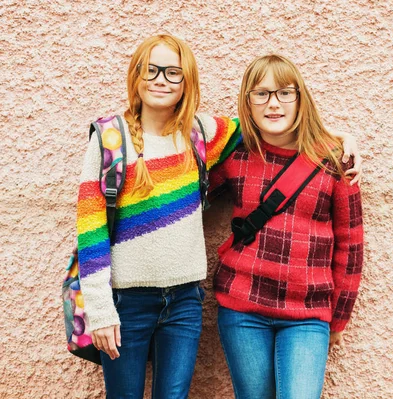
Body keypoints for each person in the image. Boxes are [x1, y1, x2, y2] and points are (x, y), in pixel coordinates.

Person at [76, 35, 361, 398]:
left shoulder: (200, 134)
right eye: (151, 70)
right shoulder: (109, 139)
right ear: (135, 76)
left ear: (187, 82)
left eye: (173, 72)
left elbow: (270, 123)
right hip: (128, 300)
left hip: (185, 301)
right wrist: (99, 310)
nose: (161, 79)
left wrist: (336, 136)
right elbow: (90, 229)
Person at [210, 54, 364, 399]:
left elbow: (351, 246)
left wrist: (338, 317)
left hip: (307, 316)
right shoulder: (236, 155)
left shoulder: (335, 160)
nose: (273, 104)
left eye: (284, 93)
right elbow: (188, 186)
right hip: (242, 308)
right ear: (247, 103)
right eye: (261, 94)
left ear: (300, 99)